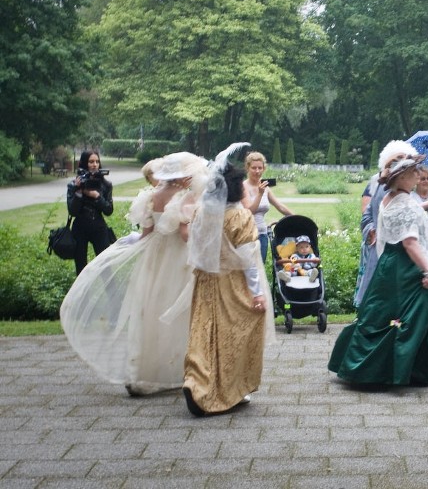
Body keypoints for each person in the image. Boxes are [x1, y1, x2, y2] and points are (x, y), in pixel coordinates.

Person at [61, 152, 209, 396]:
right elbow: (184, 234)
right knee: (181, 313)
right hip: (178, 258)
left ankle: (145, 371)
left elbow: (147, 234)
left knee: (151, 312)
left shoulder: (152, 196)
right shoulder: (185, 196)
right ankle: (183, 370)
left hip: (153, 258)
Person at [328, 154, 428, 386]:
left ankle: (402, 368)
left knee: (387, 314)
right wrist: (427, 271)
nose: (418, 175)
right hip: (407, 267)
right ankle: (402, 370)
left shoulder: (390, 198)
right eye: (414, 172)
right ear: (402, 177)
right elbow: (410, 242)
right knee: (415, 316)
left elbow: (405, 212)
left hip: (390, 265)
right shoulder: (403, 203)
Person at [183, 150, 275, 417]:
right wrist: (257, 295)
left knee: (203, 333)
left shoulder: (202, 212)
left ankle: (196, 381)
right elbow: (248, 260)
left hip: (205, 280)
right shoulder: (240, 217)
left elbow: (195, 248)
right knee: (235, 334)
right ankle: (231, 389)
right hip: (232, 284)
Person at [354, 141, 428, 307]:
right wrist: (372, 230)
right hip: (396, 253)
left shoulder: (395, 191)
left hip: (390, 252)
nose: (417, 175)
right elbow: (400, 220)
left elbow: (402, 213)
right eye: (399, 158)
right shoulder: (385, 188)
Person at [242, 151, 295, 265]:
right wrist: (259, 194)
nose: (257, 171)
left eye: (260, 168)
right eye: (254, 168)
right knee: (250, 271)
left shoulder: (265, 187)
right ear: (247, 168)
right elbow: (249, 211)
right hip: (248, 236)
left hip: (262, 234)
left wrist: (296, 218)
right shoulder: (243, 186)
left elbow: (279, 206)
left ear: (264, 169)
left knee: (260, 269)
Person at [67, 151, 114, 274]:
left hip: (98, 226)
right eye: (91, 161)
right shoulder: (73, 185)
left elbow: (109, 210)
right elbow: (72, 211)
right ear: (84, 163)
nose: (94, 165)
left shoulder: (106, 185)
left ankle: (111, 292)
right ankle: (81, 293)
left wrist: (97, 197)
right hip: (80, 227)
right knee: (81, 267)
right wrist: (78, 192)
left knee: (105, 265)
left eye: (97, 161)